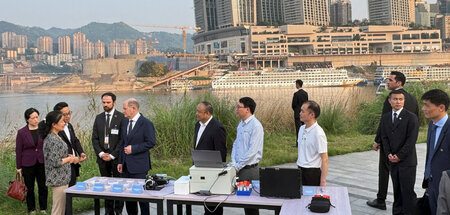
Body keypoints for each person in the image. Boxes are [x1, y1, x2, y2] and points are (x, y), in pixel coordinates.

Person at [367, 71, 419, 210]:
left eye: (390, 80)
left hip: (391, 145)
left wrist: (377, 140)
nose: (387, 82)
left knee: (384, 170)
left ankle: (381, 199)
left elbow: (384, 124)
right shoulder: (413, 98)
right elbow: (416, 122)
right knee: (403, 182)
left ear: (399, 83)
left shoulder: (390, 99)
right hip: (406, 148)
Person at [380, 90, 419, 215]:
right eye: (395, 99)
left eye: (400, 99)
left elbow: (411, 140)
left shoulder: (411, 117)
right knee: (397, 190)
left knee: (407, 191)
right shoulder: (386, 117)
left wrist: (399, 156)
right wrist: (389, 154)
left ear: (404, 101)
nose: (398, 102)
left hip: (407, 161)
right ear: (389, 101)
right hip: (392, 160)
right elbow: (384, 137)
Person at [117, 98, 156, 215]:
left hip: (139, 166)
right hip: (126, 166)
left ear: (133, 108)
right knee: (129, 198)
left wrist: (133, 149)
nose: (123, 111)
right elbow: (122, 143)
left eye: (124, 108)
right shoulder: (125, 122)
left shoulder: (146, 123)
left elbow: (151, 142)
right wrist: (120, 161)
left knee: (142, 198)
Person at [92, 92, 124, 215]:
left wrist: (112, 155)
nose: (105, 105)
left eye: (108, 102)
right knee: (106, 185)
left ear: (114, 102)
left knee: (118, 184)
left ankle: (118, 210)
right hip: (102, 158)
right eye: (103, 102)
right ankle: (108, 211)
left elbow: (122, 139)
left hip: (116, 158)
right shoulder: (98, 117)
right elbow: (94, 138)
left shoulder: (121, 117)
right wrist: (101, 153)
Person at [40, 111, 77, 215]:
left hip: (62, 178)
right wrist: (69, 159)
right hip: (58, 179)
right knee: (58, 210)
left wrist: (67, 157)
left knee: (61, 208)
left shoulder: (56, 136)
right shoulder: (52, 139)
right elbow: (56, 162)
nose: (64, 123)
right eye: (61, 121)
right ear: (54, 124)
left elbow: (57, 156)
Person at [231, 97, 263, 215]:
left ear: (247, 109)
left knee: (251, 206)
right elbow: (236, 143)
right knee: (244, 202)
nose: (236, 109)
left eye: (239, 107)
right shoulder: (241, 124)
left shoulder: (256, 126)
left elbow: (252, 151)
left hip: (249, 170)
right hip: (239, 168)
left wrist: (239, 165)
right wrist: (234, 162)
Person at [194, 101, 227, 215]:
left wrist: (217, 169)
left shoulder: (217, 127)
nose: (196, 113)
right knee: (204, 200)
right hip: (200, 167)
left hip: (213, 171)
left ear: (207, 113)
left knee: (214, 204)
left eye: (199, 111)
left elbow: (221, 152)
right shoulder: (197, 125)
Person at [422, 89, 450, 215]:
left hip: (446, 186)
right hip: (432, 183)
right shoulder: (432, 126)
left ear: (441, 107)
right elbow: (431, 155)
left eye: (427, 105)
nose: (423, 109)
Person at [16, 108, 48, 214]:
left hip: (41, 162)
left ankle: (43, 208)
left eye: (37, 117)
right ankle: (31, 209)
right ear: (27, 119)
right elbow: (18, 150)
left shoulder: (43, 129)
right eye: (33, 118)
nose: (36, 119)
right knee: (29, 187)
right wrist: (18, 167)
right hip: (27, 163)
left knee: (43, 186)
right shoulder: (21, 132)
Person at [53, 102, 87, 187]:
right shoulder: (55, 130)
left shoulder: (69, 126)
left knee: (72, 185)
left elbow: (74, 140)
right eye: (65, 114)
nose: (68, 116)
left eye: (69, 113)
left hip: (73, 162)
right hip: (64, 163)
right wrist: (69, 158)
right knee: (64, 190)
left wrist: (81, 153)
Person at [296, 100, 328, 186]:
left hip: (312, 173)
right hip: (300, 169)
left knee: (311, 198)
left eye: (303, 111)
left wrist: (323, 181)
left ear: (312, 115)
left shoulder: (318, 133)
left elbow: (324, 159)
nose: (300, 113)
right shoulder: (301, 129)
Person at [291, 79, 308, 147]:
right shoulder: (305, 93)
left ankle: (298, 143)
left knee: (298, 129)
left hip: (297, 114)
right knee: (305, 129)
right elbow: (307, 103)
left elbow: (293, 104)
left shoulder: (296, 94)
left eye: (296, 84)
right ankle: (305, 143)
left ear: (298, 85)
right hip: (305, 113)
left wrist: (296, 110)